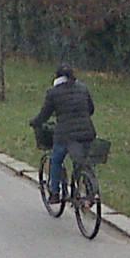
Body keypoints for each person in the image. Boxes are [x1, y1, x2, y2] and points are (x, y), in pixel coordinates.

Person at [30, 64, 95, 202]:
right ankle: (88, 190)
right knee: (81, 161)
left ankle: (55, 193)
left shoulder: (53, 92)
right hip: (87, 133)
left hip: (65, 135)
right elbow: (91, 109)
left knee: (56, 159)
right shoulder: (83, 88)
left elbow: (44, 115)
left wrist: (35, 122)